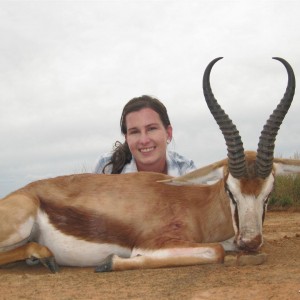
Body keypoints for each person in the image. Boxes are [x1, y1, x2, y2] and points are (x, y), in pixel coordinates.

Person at [94, 95, 196, 176]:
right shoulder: (107, 167)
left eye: (151, 129)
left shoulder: (186, 171)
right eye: (134, 132)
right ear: (127, 139)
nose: (144, 140)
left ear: (168, 133)